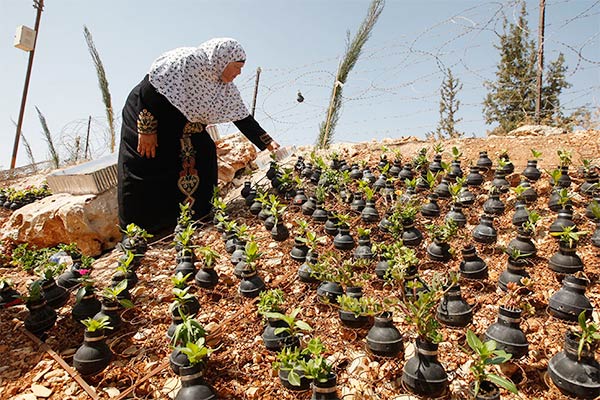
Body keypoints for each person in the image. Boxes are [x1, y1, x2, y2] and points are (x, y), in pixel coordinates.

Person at [117, 38, 279, 234]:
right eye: (236, 67)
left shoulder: (223, 87)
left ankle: (197, 214)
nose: (239, 73)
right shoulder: (184, 62)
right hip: (148, 116)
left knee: (204, 152)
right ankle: (142, 230)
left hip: (183, 126)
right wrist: (147, 128)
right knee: (147, 163)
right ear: (222, 60)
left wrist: (268, 142)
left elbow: (242, 117)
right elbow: (149, 88)